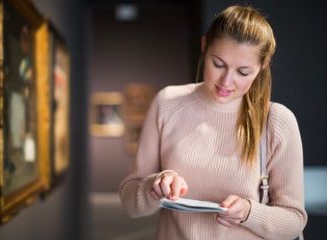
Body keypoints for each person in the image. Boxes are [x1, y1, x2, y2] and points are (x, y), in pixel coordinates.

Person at [119, 5, 307, 240]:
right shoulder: (168, 103)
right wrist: (155, 186)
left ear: (263, 65)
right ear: (204, 46)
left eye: (243, 72)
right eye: (218, 64)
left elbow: (294, 221)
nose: (226, 81)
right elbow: (129, 202)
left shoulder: (277, 122)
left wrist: (249, 213)